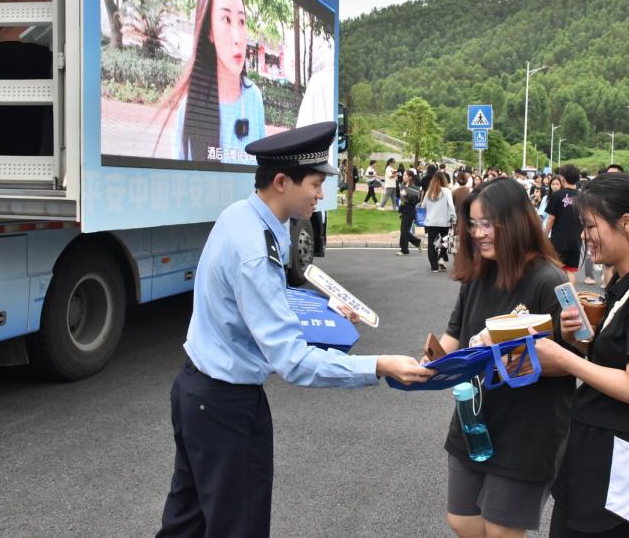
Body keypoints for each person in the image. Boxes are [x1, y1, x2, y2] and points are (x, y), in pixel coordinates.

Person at [156, 122, 433, 538]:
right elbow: (293, 361)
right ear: (282, 181)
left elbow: (263, 302)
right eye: (316, 184)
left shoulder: (244, 217)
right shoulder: (255, 249)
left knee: (186, 524)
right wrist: (378, 365)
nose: (321, 195)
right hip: (227, 407)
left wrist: (325, 308)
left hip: (196, 391)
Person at [534, 173, 629, 538]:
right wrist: (578, 340)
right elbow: (614, 358)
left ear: (626, 223)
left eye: (590, 225)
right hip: (595, 454)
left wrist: (566, 358)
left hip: (619, 464)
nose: (584, 236)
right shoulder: (624, 282)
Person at [432, 178, 574, 537]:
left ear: (514, 222)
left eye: (487, 224)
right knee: (462, 520)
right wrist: (427, 365)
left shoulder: (549, 280)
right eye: (473, 225)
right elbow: (454, 337)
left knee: (500, 531)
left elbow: (571, 361)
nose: (478, 234)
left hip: (527, 430)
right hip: (474, 419)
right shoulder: (479, 274)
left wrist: (510, 355)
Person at [156, 0, 265, 163]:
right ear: (209, 31)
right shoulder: (190, 108)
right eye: (226, 20)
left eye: (241, 21)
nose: (237, 37)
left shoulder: (254, 99)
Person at [0, 0, 53, 156]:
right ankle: (28, 163)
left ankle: (7, 161)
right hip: (31, 54)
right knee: (30, 113)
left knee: (4, 113)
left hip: (1, 54)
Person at [545, 165, 583, 286]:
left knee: (557, 270)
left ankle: (556, 299)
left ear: (562, 178)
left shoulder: (557, 195)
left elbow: (551, 218)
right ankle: (570, 302)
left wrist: (544, 235)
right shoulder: (583, 196)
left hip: (559, 240)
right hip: (576, 240)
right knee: (570, 271)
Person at [420, 171, 456, 272]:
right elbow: (451, 205)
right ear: (444, 180)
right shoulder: (446, 191)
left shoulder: (429, 191)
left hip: (431, 221)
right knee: (445, 241)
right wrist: (454, 217)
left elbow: (423, 205)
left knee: (431, 244)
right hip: (444, 221)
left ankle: (434, 266)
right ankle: (441, 257)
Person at [395, 170, 422, 256]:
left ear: (410, 177)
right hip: (404, 209)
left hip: (410, 210)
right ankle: (407, 248)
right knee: (404, 230)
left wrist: (406, 195)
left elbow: (415, 201)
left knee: (404, 231)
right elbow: (400, 196)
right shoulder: (403, 185)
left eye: (406, 175)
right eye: (403, 175)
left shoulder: (414, 187)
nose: (404, 176)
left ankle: (406, 248)